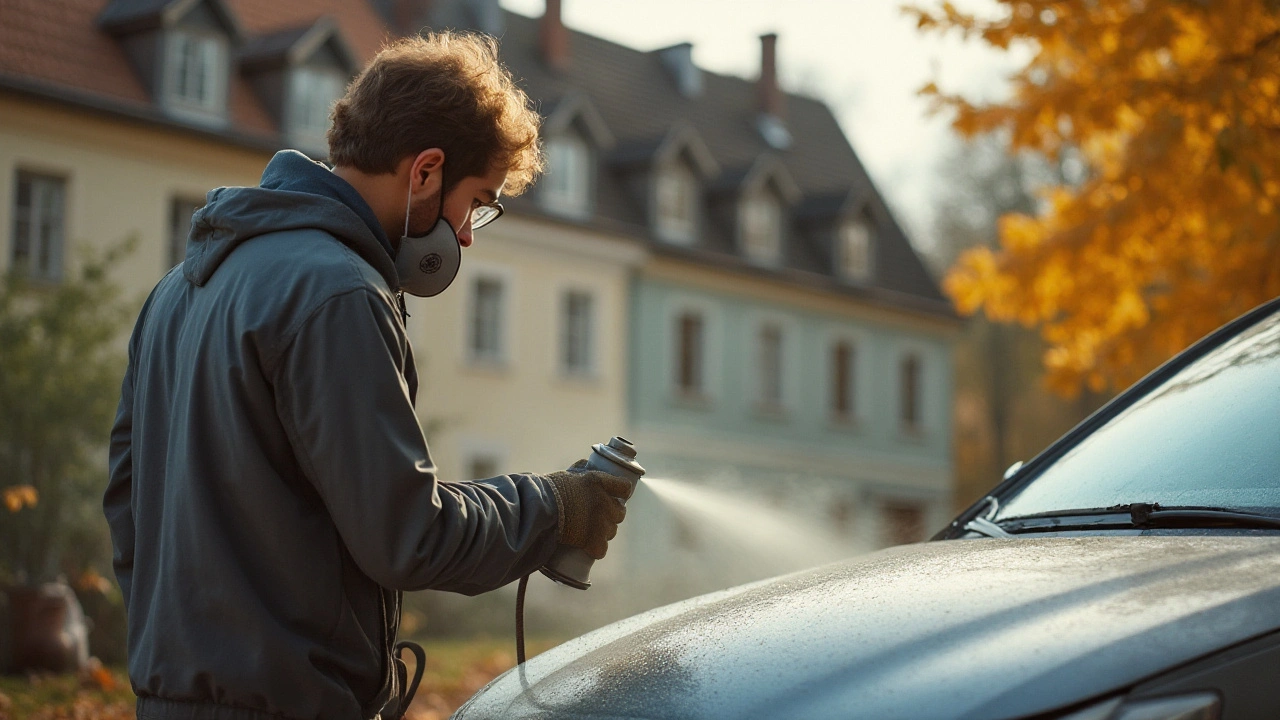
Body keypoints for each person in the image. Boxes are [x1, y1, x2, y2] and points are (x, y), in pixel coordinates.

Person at [104, 32, 631, 720]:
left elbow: (126, 505)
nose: (468, 235)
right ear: (426, 171)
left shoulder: (176, 290)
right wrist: (554, 506)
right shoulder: (339, 293)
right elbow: (408, 537)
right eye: (476, 201)